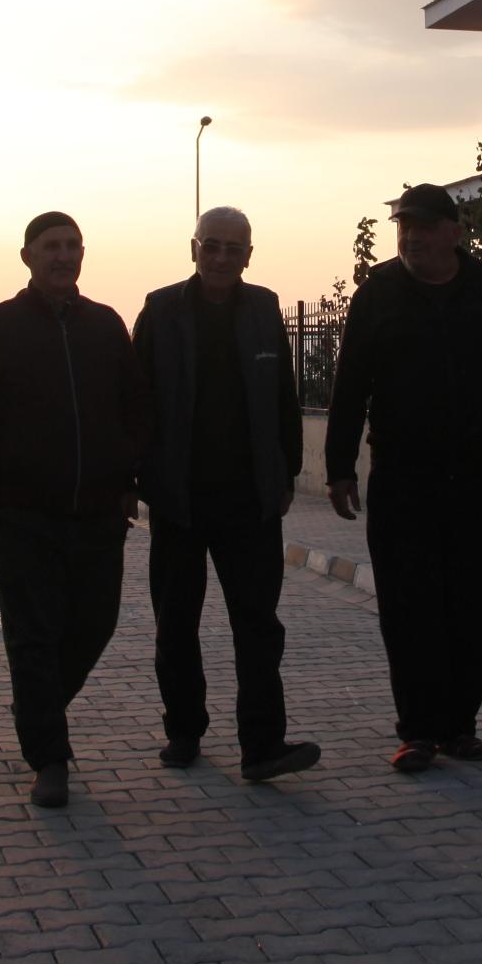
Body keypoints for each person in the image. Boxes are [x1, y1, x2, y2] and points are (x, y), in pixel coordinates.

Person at [325, 181, 482, 773]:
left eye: (422, 226)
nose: (410, 237)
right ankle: (417, 730)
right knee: (408, 604)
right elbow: (350, 385)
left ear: (454, 233)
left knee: (479, 601)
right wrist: (339, 468)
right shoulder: (377, 295)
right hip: (403, 476)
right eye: (403, 227)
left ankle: (460, 725)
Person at [0, 212, 154, 810]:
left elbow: (136, 406)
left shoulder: (105, 325)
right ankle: (50, 758)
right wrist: (9, 458)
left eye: (72, 246)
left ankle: (36, 709)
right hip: (21, 511)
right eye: (51, 246)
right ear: (27, 256)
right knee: (33, 633)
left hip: (98, 510)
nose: (63, 256)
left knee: (95, 623)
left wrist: (127, 471)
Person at [133, 207, 319, 784]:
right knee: (176, 624)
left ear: (248, 256)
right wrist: (137, 481)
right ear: (193, 248)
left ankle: (262, 746)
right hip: (180, 500)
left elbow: (284, 397)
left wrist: (286, 474)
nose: (220, 257)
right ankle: (184, 732)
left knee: (258, 625)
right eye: (210, 245)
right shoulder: (160, 310)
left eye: (232, 249)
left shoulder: (264, 308)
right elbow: (135, 401)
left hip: (250, 501)